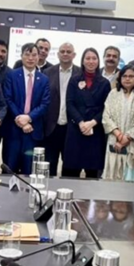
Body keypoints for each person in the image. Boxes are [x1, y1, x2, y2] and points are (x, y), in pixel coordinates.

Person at [62, 48, 112, 178]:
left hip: (95, 130)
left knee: (93, 174)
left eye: (94, 58)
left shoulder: (105, 83)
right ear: (83, 61)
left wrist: (92, 122)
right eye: (88, 58)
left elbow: (106, 108)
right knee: (70, 173)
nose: (91, 61)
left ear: (98, 61)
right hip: (76, 129)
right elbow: (70, 103)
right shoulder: (74, 80)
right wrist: (81, 122)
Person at [3, 43, 51, 174]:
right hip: (13, 131)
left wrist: (29, 118)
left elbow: (45, 103)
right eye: (27, 54)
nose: (30, 58)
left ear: (38, 57)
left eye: (34, 55)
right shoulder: (11, 75)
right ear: (21, 56)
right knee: (9, 169)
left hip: (33, 131)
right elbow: (8, 99)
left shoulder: (44, 79)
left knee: (29, 170)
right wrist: (21, 119)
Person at [102, 65, 134, 181]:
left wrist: (127, 137)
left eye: (131, 76)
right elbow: (106, 116)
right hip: (114, 140)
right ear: (120, 78)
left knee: (131, 180)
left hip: (132, 143)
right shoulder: (113, 94)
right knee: (113, 179)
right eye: (124, 76)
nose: (127, 79)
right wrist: (118, 134)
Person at [43, 42, 81, 176]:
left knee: (71, 168)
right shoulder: (47, 73)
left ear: (74, 55)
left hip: (72, 128)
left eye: (68, 52)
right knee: (48, 166)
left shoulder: (81, 73)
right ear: (58, 54)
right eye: (62, 51)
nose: (65, 54)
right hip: (51, 128)